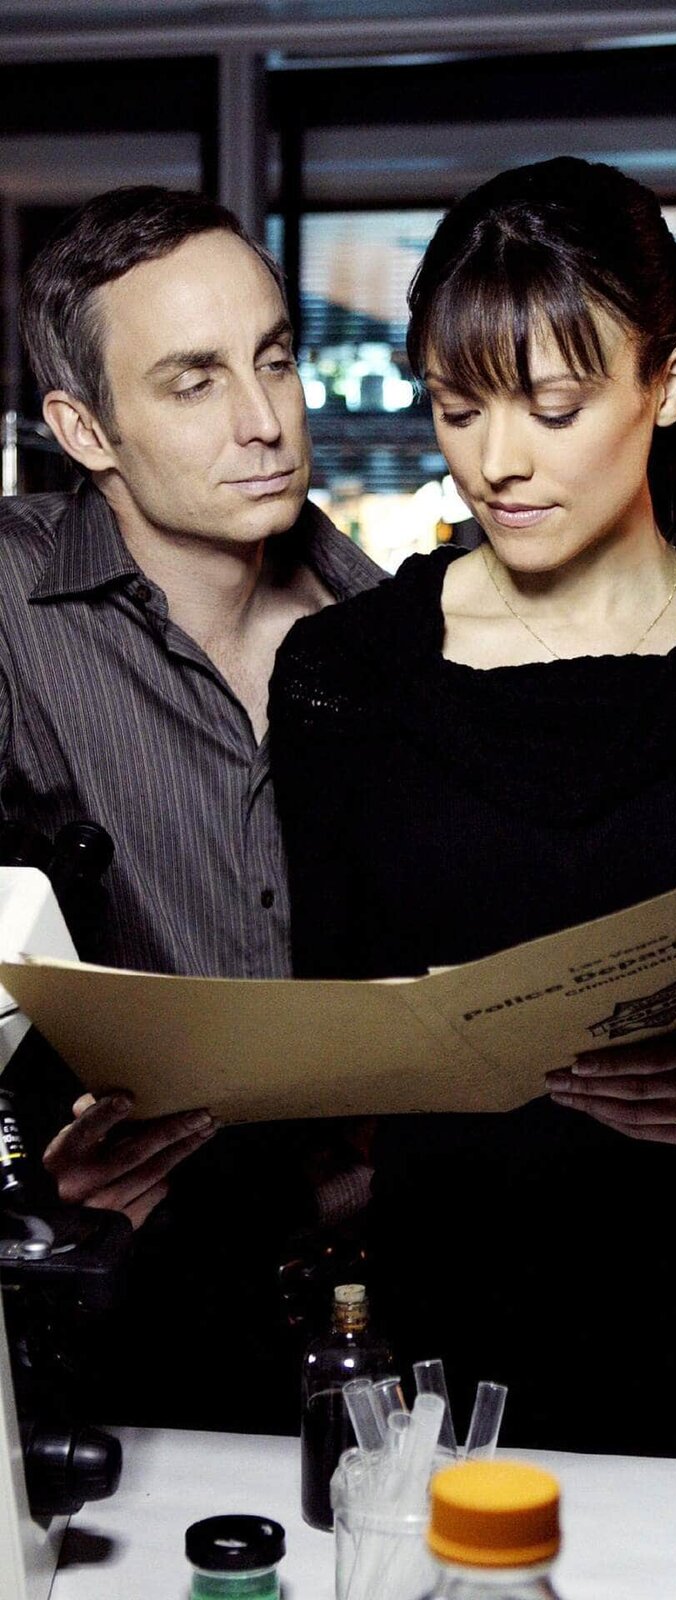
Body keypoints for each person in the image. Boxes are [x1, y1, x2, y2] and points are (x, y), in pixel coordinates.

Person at [268, 157, 676, 1455]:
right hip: (443, 1313)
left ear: (668, 384)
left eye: (554, 408)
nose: (496, 463)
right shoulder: (344, 674)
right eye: (456, 409)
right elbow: (323, 1014)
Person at [0, 185, 382, 1428]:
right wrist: (16, 1182)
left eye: (274, 359)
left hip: (374, 1299)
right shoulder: (8, 611)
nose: (264, 421)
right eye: (193, 381)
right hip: (116, 1320)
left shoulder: (393, 626)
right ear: (85, 428)